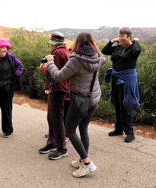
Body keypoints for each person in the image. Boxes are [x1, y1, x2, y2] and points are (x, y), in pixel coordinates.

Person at [43, 32, 106, 177]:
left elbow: (59, 76)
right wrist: (94, 45)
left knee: (70, 130)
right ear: (92, 44)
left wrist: (50, 62)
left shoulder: (76, 60)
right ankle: (82, 159)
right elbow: (100, 53)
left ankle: (87, 163)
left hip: (80, 99)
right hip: (93, 97)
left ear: (77, 43)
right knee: (83, 128)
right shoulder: (99, 57)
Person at [102, 27, 141, 143]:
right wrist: (112, 41)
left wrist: (136, 41)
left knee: (125, 103)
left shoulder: (133, 48)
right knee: (116, 102)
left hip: (127, 79)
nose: (121, 40)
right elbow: (105, 51)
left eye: (123, 38)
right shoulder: (118, 47)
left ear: (129, 37)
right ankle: (118, 129)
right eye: (120, 37)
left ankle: (130, 132)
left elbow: (137, 50)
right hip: (116, 78)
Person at [38, 32, 70, 160]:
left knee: (56, 118)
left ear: (53, 43)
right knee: (52, 117)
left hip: (56, 88)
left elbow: (52, 72)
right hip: (60, 88)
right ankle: (52, 143)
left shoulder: (57, 53)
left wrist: (43, 68)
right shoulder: (65, 52)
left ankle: (61, 148)